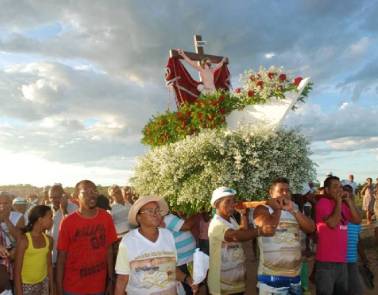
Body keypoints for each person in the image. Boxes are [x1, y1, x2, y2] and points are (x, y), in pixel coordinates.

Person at [114, 196, 198, 295]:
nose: (156, 214)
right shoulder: (128, 241)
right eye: (150, 211)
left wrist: (186, 278)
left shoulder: (168, 235)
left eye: (157, 210)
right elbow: (122, 279)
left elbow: (171, 269)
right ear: (139, 217)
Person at [253, 177, 315, 295]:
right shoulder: (263, 209)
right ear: (271, 193)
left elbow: (311, 228)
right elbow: (268, 229)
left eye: (288, 190)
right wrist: (278, 209)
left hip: (295, 277)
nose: (285, 193)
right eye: (281, 190)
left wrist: (294, 211)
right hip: (271, 280)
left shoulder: (294, 209)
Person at [208, 186, 274, 295]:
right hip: (222, 286)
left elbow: (242, 231)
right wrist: (260, 231)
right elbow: (235, 236)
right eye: (227, 201)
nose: (232, 204)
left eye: (233, 201)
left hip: (236, 283)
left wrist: (243, 214)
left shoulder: (230, 220)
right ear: (216, 205)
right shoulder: (217, 224)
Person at [56, 180, 118, 295]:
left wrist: (110, 280)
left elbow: (109, 250)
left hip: (98, 286)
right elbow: (61, 258)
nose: (92, 194)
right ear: (76, 197)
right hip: (72, 287)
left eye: (94, 191)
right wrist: (59, 288)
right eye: (86, 192)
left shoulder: (106, 217)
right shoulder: (67, 222)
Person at [315, 176, 361, 295]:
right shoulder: (323, 203)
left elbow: (357, 220)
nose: (339, 189)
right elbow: (333, 222)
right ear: (327, 190)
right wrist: (339, 201)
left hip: (342, 260)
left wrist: (349, 201)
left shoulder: (343, 205)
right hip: (326, 262)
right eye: (335, 187)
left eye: (340, 186)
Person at [14, 205, 54, 295]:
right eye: (50, 217)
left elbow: (49, 266)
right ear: (40, 220)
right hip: (26, 286)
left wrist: (51, 289)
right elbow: (17, 272)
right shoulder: (24, 240)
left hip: (43, 284)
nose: (52, 220)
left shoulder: (49, 240)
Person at [160, 203, 198, 294]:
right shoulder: (168, 218)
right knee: (191, 287)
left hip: (186, 259)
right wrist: (197, 214)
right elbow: (187, 226)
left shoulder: (170, 217)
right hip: (183, 261)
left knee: (193, 286)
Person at [341, 184, 365, 295]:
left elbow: (358, 240)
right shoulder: (337, 212)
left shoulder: (357, 215)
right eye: (345, 192)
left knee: (355, 289)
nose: (348, 195)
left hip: (352, 259)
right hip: (339, 260)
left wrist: (364, 258)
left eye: (350, 192)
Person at [48, 184, 78, 267]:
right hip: (51, 257)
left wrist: (64, 210)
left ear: (63, 196)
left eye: (56, 197)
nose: (53, 200)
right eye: (51, 197)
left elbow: (73, 230)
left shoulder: (74, 208)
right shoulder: (48, 209)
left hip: (67, 257)